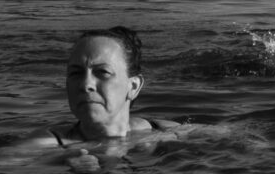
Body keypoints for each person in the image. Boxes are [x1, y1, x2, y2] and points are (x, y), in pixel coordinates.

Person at [25, 26, 179, 150]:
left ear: (133, 86)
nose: (86, 85)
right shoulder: (44, 145)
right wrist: (59, 160)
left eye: (103, 72)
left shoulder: (170, 133)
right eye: (76, 73)